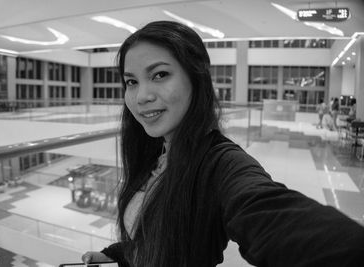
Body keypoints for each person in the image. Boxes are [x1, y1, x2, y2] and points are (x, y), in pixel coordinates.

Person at [82, 21, 364, 267]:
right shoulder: (155, 151)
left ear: (197, 78)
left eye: (160, 75)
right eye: (131, 81)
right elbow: (153, 237)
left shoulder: (220, 162)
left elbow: (267, 213)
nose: (141, 96)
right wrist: (117, 255)